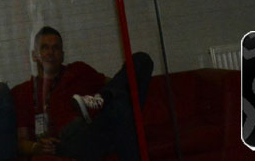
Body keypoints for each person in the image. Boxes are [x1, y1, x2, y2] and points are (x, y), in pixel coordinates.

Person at [11, 27, 154, 161]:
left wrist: (109, 96)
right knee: (116, 114)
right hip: (68, 140)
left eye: (56, 48)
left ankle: (104, 97)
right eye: (45, 48)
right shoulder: (24, 91)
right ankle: (109, 105)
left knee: (141, 60)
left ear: (62, 55)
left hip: (103, 126)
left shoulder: (79, 70)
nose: (50, 52)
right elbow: (20, 142)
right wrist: (37, 147)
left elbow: (118, 85)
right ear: (35, 55)